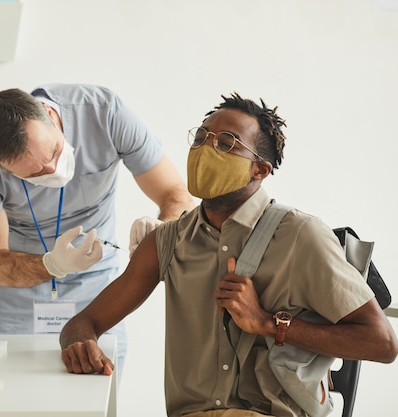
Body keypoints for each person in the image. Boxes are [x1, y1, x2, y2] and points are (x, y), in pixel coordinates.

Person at [59, 93, 398, 417]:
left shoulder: (301, 236)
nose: (207, 149)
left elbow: (382, 343)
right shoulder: (167, 241)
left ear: (259, 170)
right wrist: (80, 343)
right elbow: (82, 324)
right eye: (201, 138)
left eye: (226, 143)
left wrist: (268, 324)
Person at [0, 83, 195, 375]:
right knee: (2, 393)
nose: (54, 169)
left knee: (96, 388)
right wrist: (54, 264)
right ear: (3, 169)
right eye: (35, 173)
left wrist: (164, 229)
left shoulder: (105, 114)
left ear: (48, 113)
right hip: (10, 296)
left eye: (55, 150)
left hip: (94, 286)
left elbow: (175, 194)